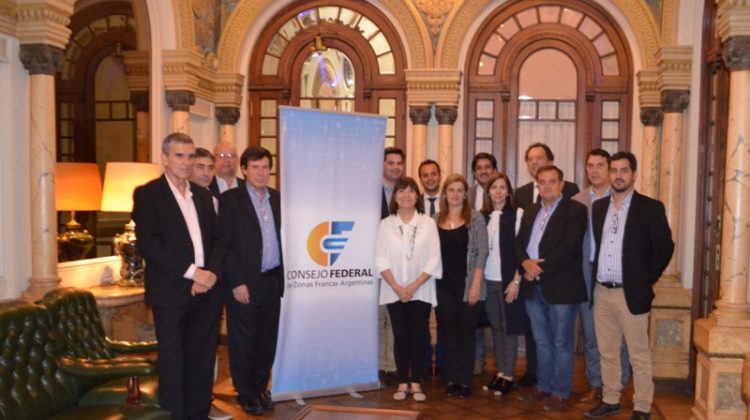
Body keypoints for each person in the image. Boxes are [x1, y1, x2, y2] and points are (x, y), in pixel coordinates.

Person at [132, 132, 221, 419]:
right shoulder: (148, 194)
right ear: (165, 158)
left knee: (202, 363)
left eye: (190, 156)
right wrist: (193, 273)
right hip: (171, 295)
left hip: (206, 294)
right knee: (173, 365)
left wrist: (208, 276)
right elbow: (150, 245)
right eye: (180, 156)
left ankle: (198, 415)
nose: (186, 162)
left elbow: (219, 242)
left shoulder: (204, 197)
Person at [585, 152, 673, 420]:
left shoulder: (650, 207)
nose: (618, 175)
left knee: (638, 354)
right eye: (614, 170)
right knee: (607, 351)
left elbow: (665, 248)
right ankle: (611, 399)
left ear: (633, 174)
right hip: (602, 292)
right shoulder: (599, 208)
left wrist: (645, 279)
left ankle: (643, 406)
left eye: (624, 170)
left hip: (631, 293)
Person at [213, 146, 283, 415]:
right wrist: (236, 282)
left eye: (265, 167)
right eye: (255, 167)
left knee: (267, 339)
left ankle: (260, 387)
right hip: (244, 283)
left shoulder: (277, 198)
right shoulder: (230, 200)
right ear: (244, 170)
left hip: (272, 280)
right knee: (243, 340)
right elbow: (225, 245)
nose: (261, 172)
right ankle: (245, 393)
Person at [514, 165, 588, 412]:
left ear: (562, 185)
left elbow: (569, 248)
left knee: (561, 342)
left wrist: (537, 268)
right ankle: (543, 386)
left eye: (552, 182)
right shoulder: (531, 210)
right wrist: (525, 262)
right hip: (532, 288)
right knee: (541, 341)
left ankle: (559, 391)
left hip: (561, 288)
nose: (547, 186)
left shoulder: (576, 210)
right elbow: (518, 244)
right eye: (542, 182)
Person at [572, 148, 631, 402]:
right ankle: (596, 383)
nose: (594, 170)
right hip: (587, 273)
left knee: (620, 335)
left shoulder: (623, 200)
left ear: (609, 169)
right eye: (590, 165)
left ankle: (618, 384)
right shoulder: (577, 201)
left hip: (617, 274)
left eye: (599, 165)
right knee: (591, 332)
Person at [375, 177, 441, 402]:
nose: (406, 195)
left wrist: (412, 287)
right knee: (400, 336)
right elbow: (380, 258)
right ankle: (403, 381)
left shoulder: (428, 223)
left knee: (418, 336)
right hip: (393, 290)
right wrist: (397, 287)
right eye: (401, 191)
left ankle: (417, 382)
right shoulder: (386, 224)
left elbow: (434, 259)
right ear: (395, 197)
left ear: (417, 196)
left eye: (411, 191)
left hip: (420, 290)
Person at [434, 174, 488, 399]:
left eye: (459, 190)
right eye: (451, 189)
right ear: (445, 193)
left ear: (465, 194)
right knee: (448, 333)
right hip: (442, 286)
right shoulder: (435, 218)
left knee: (466, 334)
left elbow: (481, 253)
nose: (455, 194)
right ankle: (452, 379)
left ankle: (465, 381)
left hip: (467, 286)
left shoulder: (475, 218)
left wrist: (475, 286)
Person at [480, 172, 527, 396]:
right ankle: (500, 372)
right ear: (488, 191)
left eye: (502, 187)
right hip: (488, 281)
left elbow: (523, 250)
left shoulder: (517, 214)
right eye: (494, 187)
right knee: (496, 329)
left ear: (508, 191)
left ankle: (508, 375)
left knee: (509, 330)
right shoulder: (482, 216)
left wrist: (517, 280)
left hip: (509, 281)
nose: (498, 191)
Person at [466, 152, 498, 375]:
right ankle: (476, 361)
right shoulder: (465, 194)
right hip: (472, 265)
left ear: (494, 170)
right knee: (474, 316)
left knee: (497, 318)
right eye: (479, 167)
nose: (483, 171)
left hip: (496, 266)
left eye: (488, 167)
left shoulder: (501, 192)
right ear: (474, 172)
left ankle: (501, 367)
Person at [379, 147, 405, 382]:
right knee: (378, 318)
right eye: (390, 163)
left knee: (396, 319)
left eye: (399, 163)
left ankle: (394, 365)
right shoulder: (368, 191)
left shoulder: (408, 193)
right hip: (374, 266)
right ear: (382, 165)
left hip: (401, 269)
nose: (395, 167)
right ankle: (380, 366)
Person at [418, 159, 444, 379]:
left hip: (446, 271)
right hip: (421, 271)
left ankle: (444, 363)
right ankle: (425, 363)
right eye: (425, 175)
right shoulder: (411, 201)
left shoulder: (452, 199)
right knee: (422, 319)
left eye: (433, 174)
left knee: (445, 319)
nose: (430, 178)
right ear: (421, 179)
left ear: (439, 176)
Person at [515, 143, 579, 208]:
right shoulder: (520, 193)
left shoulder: (570, 189)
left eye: (539, 158)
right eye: (530, 159)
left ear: (550, 162)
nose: (534, 162)